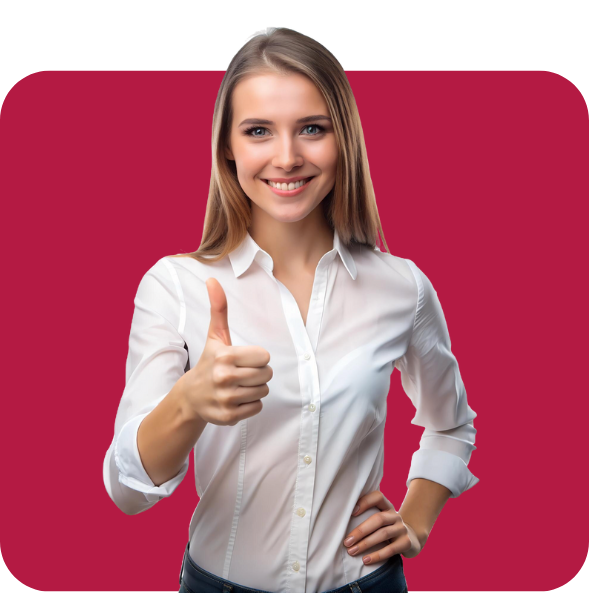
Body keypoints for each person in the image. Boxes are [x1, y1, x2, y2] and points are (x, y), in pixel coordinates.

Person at [103, 26, 479, 593]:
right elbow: (128, 492)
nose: (287, 157)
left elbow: (451, 426)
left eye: (312, 129)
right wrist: (189, 402)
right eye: (258, 131)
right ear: (228, 145)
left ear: (343, 139)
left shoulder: (404, 287)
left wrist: (418, 519)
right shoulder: (175, 285)